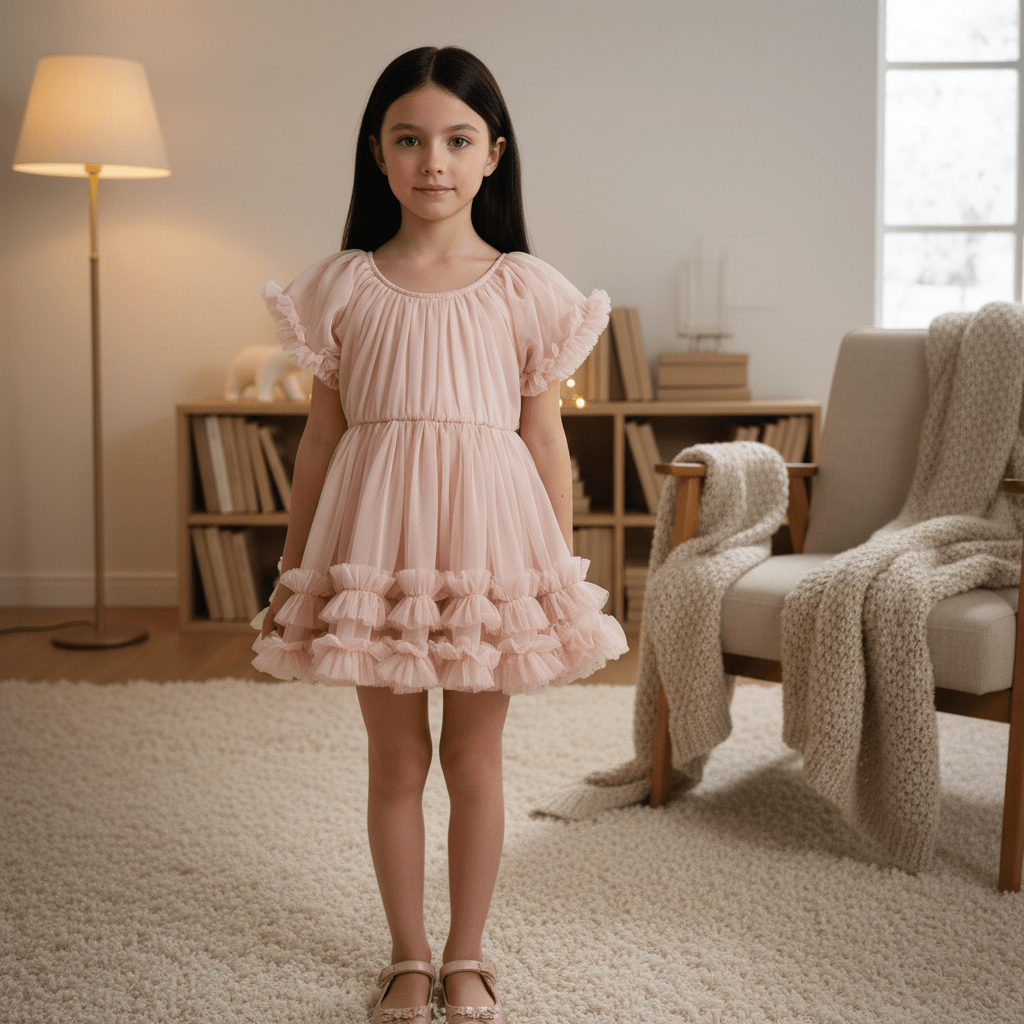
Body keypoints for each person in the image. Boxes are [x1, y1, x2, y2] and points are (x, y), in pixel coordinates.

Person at [253, 45, 628, 1024]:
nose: (434, 162)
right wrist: (296, 566)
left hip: (488, 547)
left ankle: (467, 954)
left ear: (493, 154)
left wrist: (553, 568)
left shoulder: (523, 288)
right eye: (409, 140)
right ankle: (407, 958)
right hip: (374, 546)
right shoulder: (343, 286)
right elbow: (321, 438)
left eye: (459, 140)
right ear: (378, 154)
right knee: (394, 761)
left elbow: (543, 436)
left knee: (473, 757)